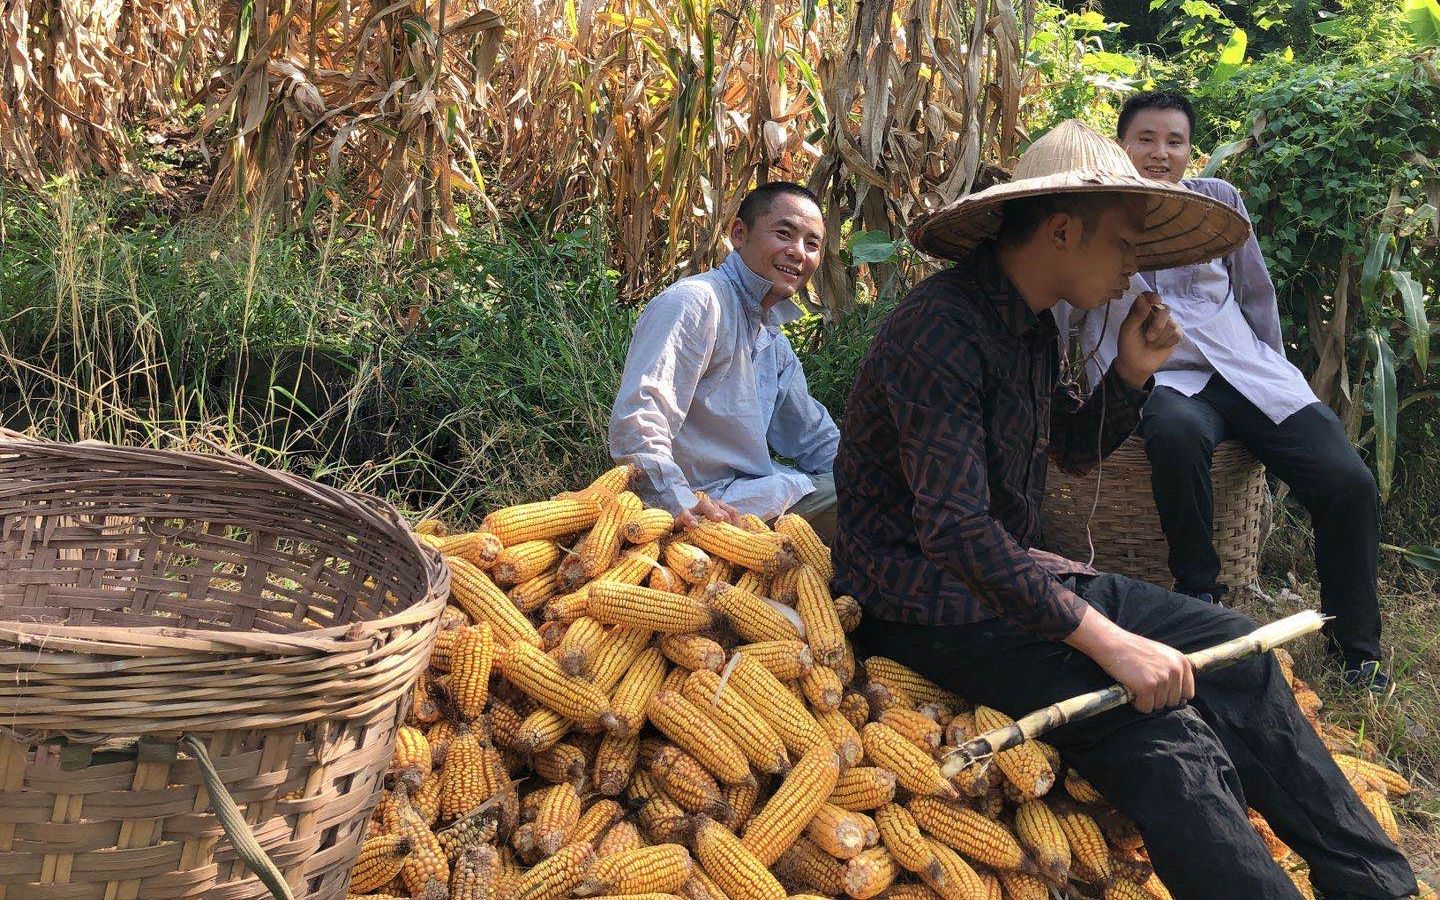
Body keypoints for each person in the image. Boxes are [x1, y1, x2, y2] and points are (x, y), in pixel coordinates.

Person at [834, 119, 1417, 899]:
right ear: (1064, 231)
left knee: (1237, 651)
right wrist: (1114, 644)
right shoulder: (938, 331)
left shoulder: (1031, 324)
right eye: (1127, 245)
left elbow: (1069, 447)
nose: (1137, 269)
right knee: (1161, 732)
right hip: (927, 600)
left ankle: (1378, 885)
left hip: (1005, 581)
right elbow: (956, 532)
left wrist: (1132, 374)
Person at [1062, 90, 1386, 691]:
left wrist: (1278, 374)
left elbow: (1255, 295)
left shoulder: (1217, 203)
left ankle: (1357, 648)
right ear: (1121, 144)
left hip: (1243, 370)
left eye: (1174, 142)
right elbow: (1067, 312)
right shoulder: (1094, 212)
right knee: (1175, 433)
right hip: (1162, 378)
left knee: (1347, 481)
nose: (1160, 153)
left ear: (1191, 150)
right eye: (1146, 140)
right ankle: (1201, 595)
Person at [608, 181, 840, 539]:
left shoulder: (772, 339)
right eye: (784, 234)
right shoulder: (696, 303)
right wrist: (676, 503)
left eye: (812, 244)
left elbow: (811, 435)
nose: (798, 252)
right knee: (860, 504)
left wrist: (877, 472)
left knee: (870, 491)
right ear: (739, 234)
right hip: (704, 506)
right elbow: (640, 419)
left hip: (752, 496)